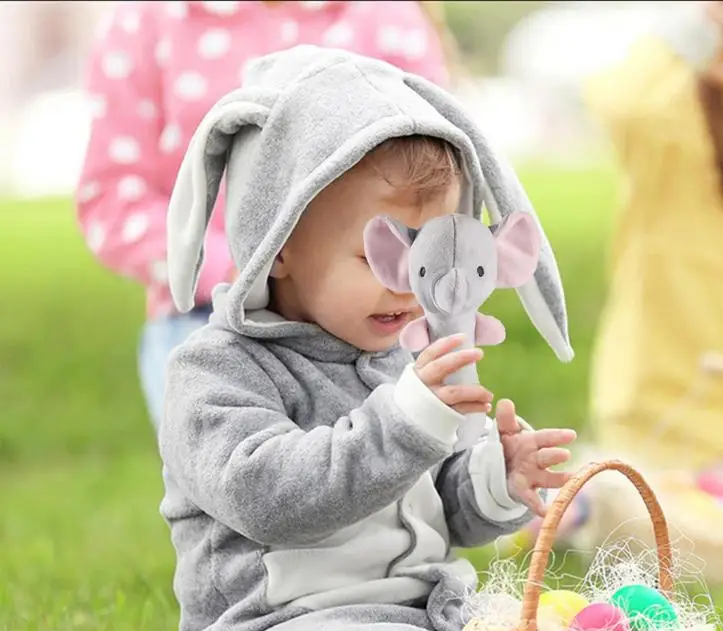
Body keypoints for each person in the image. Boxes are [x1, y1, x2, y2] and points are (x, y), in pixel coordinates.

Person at [159, 45, 723, 631]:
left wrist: (495, 480)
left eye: (431, 252)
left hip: (434, 609)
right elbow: (271, 501)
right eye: (382, 256)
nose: (411, 290)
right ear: (277, 244)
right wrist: (405, 423)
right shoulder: (216, 371)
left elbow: (445, 514)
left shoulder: (406, 356)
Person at [74, 0, 455, 429]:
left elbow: (439, 168)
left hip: (383, 306)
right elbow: (111, 195)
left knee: (418, 462)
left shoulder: (382, 16)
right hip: (208, 316)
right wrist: (237, 267)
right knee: (249, 469)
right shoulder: (148, 21)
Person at [525, 0, 723, 556]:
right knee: (705, 528)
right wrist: (699, 31)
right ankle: (598, 499)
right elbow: (620, 103)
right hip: (677, 411)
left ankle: (604, 499)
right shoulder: (676, 109)